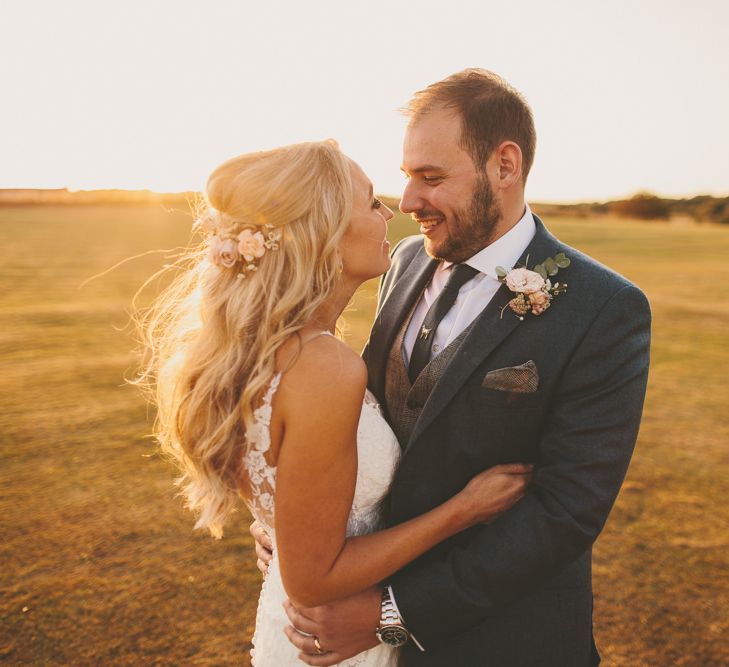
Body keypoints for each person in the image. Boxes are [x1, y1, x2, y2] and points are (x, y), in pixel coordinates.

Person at [253, 69, 651, 666]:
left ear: (505, 166)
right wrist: (305, 540)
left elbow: (565, 512)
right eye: (408, 177)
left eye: (431, 178)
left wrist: (394, 612)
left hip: (503, 642)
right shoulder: (405, 260)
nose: (409, 201)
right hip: (348, 609)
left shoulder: (604, 307)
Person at [137, 139, 534, 666]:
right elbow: (316, 577)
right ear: (323, 232)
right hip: (332, 639)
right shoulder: (323, 368)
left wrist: (281, 531)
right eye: (370, 202)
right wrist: (464, 509)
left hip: (295, 628)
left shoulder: (257, 351)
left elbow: (292, 505)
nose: (389, 211)